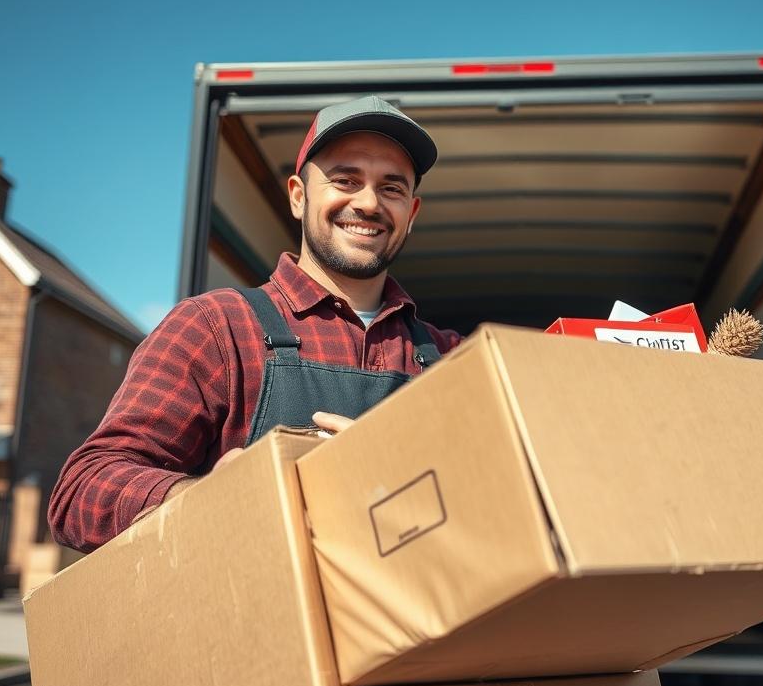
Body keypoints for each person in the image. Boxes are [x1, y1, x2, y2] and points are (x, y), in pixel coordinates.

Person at [48, 96, 462, 552]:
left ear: (412, 214)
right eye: (345, 180)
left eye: (392, 188)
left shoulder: (451, 359)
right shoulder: (214, 327)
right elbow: (81, 491)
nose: (367, 203)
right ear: (299, 197)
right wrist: (210, 498)